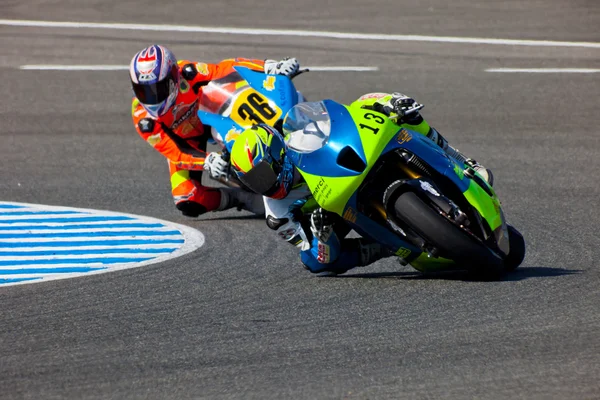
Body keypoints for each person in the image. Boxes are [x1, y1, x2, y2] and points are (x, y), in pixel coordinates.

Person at [228, 92, 494, 275]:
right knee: (316, 264)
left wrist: (389, 103)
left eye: (263, 174)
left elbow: (349, 112)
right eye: (253, 182)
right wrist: (322, 237)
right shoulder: (277, 214)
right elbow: (312, 251)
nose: (264, 185)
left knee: (400, 112)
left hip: (344, 170)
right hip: (334, 214)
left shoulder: (300, 134)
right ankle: (387, 247)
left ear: (278, 153)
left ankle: (463, 161)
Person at [129, 44, 300, 217]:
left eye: (158, 88)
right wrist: (207, 160)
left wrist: (269, 66)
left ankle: (285, 128)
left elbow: (227, 68)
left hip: (214, 116)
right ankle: (242, 198)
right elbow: (176, 151)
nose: (152, 97)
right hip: (186, 142)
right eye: (144, 91)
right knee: (187, 198)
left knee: (239, 99)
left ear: (174, 78)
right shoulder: (144, 119)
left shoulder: (188, 73)